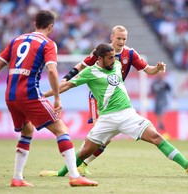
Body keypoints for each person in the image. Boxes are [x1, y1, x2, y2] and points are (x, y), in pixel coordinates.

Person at [40, 43, 188, 178]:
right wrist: (45, 94)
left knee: (156, 136)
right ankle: (60, 173)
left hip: (128, 114)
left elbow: (146, 70)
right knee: (83, 152)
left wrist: (155, 69)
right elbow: (67, 85)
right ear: (99, 58)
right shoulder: (90, 72)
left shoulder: (118, 64)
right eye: (110, 58)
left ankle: (187, 165)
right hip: (106, 119)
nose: (113, 60)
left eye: (114, 57)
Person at [0, 10, 98, 187]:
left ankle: (17, 178)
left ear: (35, 23)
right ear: (51, 26)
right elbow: (52, 70)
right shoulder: (48, 43)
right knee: (61, 129)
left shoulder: (16, 40)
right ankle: (75, 176)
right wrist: (57, 98)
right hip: (29, 93)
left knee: (27, 131)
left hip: (10, 95)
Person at [40, 25, 167, 177]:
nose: (121, 42)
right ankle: (75, 165)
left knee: (106, 139)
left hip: (116, 98)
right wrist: (67, 78)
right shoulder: (101, 52)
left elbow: (149, 71)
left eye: (124, 39)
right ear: (112, 37)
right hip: (97, 98)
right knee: (98, 136)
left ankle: (83, 164)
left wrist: (157, 68)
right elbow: (82, 65)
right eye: (118, 38)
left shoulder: (130, 54)